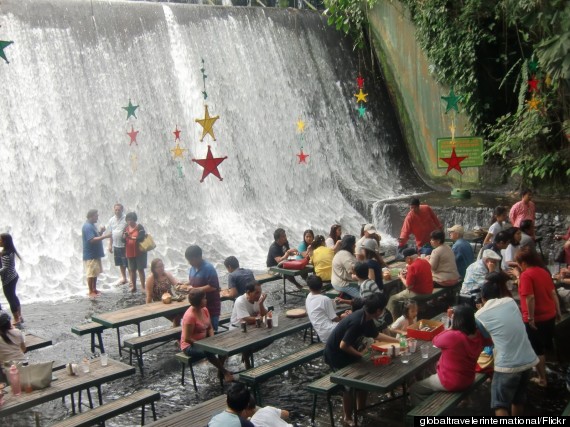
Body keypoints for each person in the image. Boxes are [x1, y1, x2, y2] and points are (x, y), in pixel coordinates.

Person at [324, 293, 397, 426]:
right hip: (336, 355)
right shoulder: (358, 321)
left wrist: (398, 340)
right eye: (383, 309)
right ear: (378, 310)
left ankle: (361, 410)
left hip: (348, 351)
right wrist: (360, 355)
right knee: (348, 386)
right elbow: (343, 345)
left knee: (363, 379)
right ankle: (347, 417)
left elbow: (376, 335)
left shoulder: (367, 317)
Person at [475, 280, 539, 416]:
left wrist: (480, 309)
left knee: (500, 405)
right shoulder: (510, 302)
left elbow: (487, 337)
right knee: (518, 400)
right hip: (528, 359)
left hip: (507, 365)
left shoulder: (480, 315)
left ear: (483, 297)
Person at [410, 305, 486, 405]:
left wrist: (451, 327)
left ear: (458, 320)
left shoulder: (454, 336)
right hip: (468, 377)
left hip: (451, 381)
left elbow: (436, 340)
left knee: (415, 388)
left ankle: (424, 415)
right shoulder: (478, 334)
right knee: (432, 368)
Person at [511, 248, 561, 388]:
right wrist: (557, 311)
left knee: (536, 348)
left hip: (536, 318)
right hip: (549, 314)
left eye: (519, 263)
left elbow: (530, 297)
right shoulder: (543, 272)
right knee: (543, 345)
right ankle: (544, 368)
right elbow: (553, 293)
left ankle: (542, 379)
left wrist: (531, 318)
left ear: (524, 263)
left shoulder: (527, 275)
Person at [181, 289, 233, 384]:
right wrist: (204, 345)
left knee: (224, 340)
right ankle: (224, 372)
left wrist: (212, 339)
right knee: (209, 351)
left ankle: (220, 370)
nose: (206, 300)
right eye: (204, 299)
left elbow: (209, 327)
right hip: (190, 346)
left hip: (205, 339)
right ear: (198, 301)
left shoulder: (204, 309)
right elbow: (187, 338)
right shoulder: (190, 316)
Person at [230, 281, 268, 369]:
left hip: (251, 327)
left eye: (260, 292)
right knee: (248, 344)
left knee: (270, 338)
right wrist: (261, 318)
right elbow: (246, 319)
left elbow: (266, 313)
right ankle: (246, 357)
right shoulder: (240, 301)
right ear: (248, 292)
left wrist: (261, 304)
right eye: (256, 293)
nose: (259, 295)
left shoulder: (259, 299)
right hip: (237, 329)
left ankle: (247, 353)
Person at [387, 248, 433, 318]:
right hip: (429, 290)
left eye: (405, 259)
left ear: (408, 258)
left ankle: (393, 321)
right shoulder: (425, 261)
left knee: (392, 299)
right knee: (403, 292)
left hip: (420, 293)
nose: (405, 261)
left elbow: (409, 286)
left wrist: (401, 277)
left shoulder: (412, 267)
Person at [185, 245, 222, 332]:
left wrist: (195, 289)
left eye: (191, 260)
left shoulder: (209, 268)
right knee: (200, 332)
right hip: (198, 307)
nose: (190, 262)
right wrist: (185, 284)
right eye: (188, 260)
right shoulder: (192, 268)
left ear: (199, 257)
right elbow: (193, 281)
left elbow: (213, 286)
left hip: (211, 306)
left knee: (212, 330)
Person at [305, 275, 346, 342]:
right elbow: (335, 319)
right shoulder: (325, 299)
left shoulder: (309, 297)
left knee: (344, 317)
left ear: (309, 288)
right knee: (349, 320)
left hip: (322, 335)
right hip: (330, 332)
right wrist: (343, 321)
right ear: (322, 286)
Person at [82, 209, 110, 298]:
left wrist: (101, 232)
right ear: (91, 216)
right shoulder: (87, 227)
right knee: (91, 273)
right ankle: (90, 291)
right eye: (96, 216)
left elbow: (96, 236)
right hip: (90, 254)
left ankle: (94, 289)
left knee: (95, 272)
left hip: (95, 254)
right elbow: (92, 240)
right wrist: (105, 236)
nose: (97, 217)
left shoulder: (92, 225)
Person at [0, 234, 23, 325]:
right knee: (13, 296)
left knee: (10, 298)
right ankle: (20, 316)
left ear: (4, 241)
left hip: (8, 279)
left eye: (0, 240)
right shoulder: (9, 251)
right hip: (14, 276)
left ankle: (16, 319)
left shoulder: (5, 253)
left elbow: (5, 268)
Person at [122, 212, 147, 293]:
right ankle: (134, 287)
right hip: (129, 252)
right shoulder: (126, 228)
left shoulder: (139, 227)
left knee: (140, 269)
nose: (130, 222)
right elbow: (122, 240)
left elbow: (141, 237)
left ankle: (143, 287)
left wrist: (131, 237)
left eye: (131, 220)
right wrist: (124, 237)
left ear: (134, 220)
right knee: (132, 270)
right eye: (128, 220)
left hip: (140, 252)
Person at [107, 203, 128, 285]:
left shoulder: (126, 218)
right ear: (114, 210)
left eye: (119, 210)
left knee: (127, 262)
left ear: (122, 210)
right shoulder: (111, 220)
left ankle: (131, 279)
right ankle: (124, 277)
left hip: (125, 245)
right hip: (116, 245)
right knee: (120, 262)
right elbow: (110, 233)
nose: (117, 211)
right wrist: (110, 245)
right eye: (116, 210)